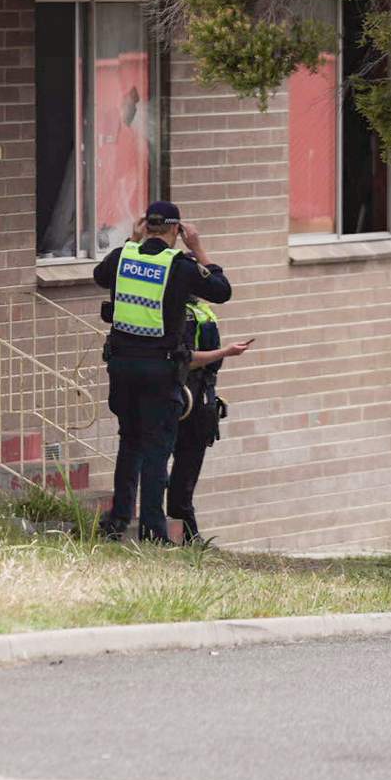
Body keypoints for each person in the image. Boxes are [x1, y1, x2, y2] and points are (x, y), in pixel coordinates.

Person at [93, 201, 232, 542]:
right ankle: (153, 531)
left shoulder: (123, 256)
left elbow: (100, 276)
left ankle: (118, 521)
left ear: (145, 227)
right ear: (176, 230)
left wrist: (131, 240)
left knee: (130, 443)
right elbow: (221, 291)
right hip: (160, 369)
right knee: (157, 448)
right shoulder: (180, 265)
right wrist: (198, 248)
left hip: (122, 368)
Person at [166, 299, 252, 544]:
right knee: (180, 475)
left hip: (199, 399)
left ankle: (185, 533)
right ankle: (186, 535)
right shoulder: (186, 313)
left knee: (183, 474)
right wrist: (226, 352)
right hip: (187, 400)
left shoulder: (196, 310)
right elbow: (186, 360)